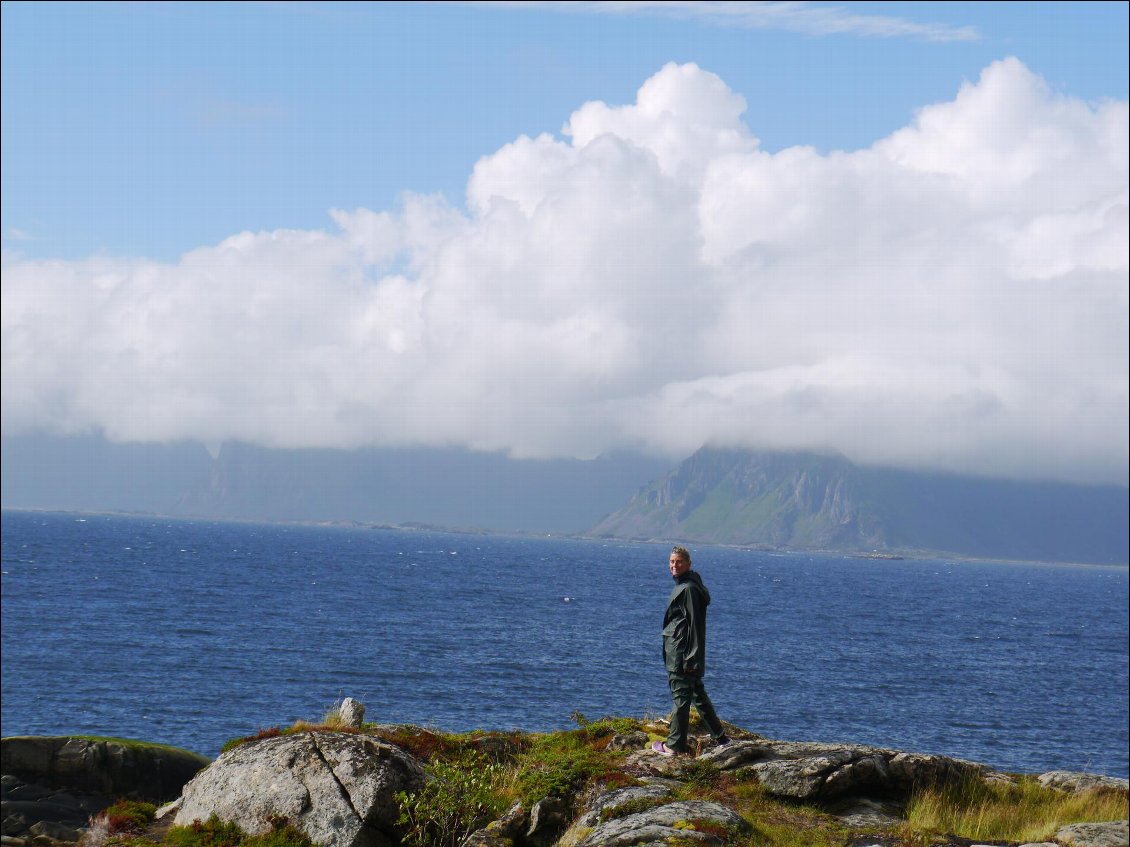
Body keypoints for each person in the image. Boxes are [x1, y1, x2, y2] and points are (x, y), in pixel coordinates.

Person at [652, 545, 731, 756]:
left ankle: (673, 746)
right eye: (671, 562)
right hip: (684, 652)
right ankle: (721, 738)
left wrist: (691, 658)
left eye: (678, 562)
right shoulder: (688, 585)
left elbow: (695, 625)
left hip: (682, 654)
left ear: (688, 564)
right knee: (698, 694)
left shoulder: (688, 589)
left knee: (681, 698)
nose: (674, 566)